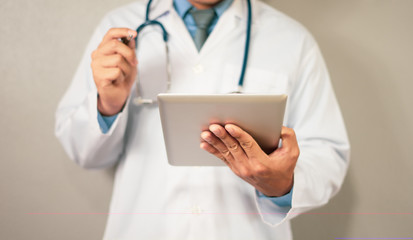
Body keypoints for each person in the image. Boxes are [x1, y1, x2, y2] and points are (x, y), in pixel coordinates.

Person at [55, 0, 350, 239]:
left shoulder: (292, 39)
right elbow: (84, 153)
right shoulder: (118, 30)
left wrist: (282, 183)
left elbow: (328, 155)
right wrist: (108, 103)